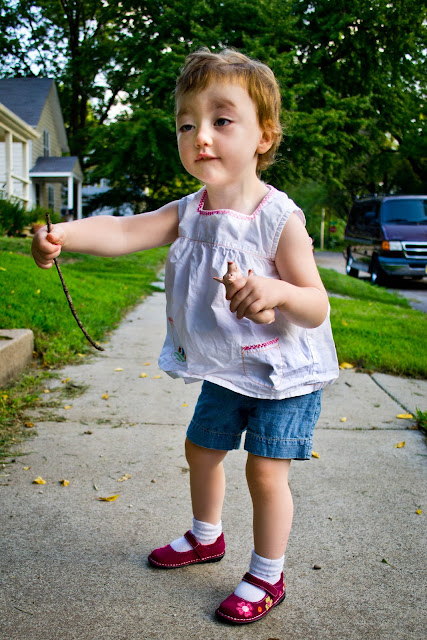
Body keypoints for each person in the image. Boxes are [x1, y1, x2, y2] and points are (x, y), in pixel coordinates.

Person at [32, 48, 339, 625]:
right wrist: (63, 234)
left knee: (265, 471)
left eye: (221, 120)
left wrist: (276, 292)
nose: (201, 135)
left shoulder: (278, 219)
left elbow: (316, 305)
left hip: (284, 375)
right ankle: (206, 536)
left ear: (264, 135)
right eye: (186, 124)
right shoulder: (189, 211)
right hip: (226, 368)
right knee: (202, 449)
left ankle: (267, 575)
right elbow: (124, 230)